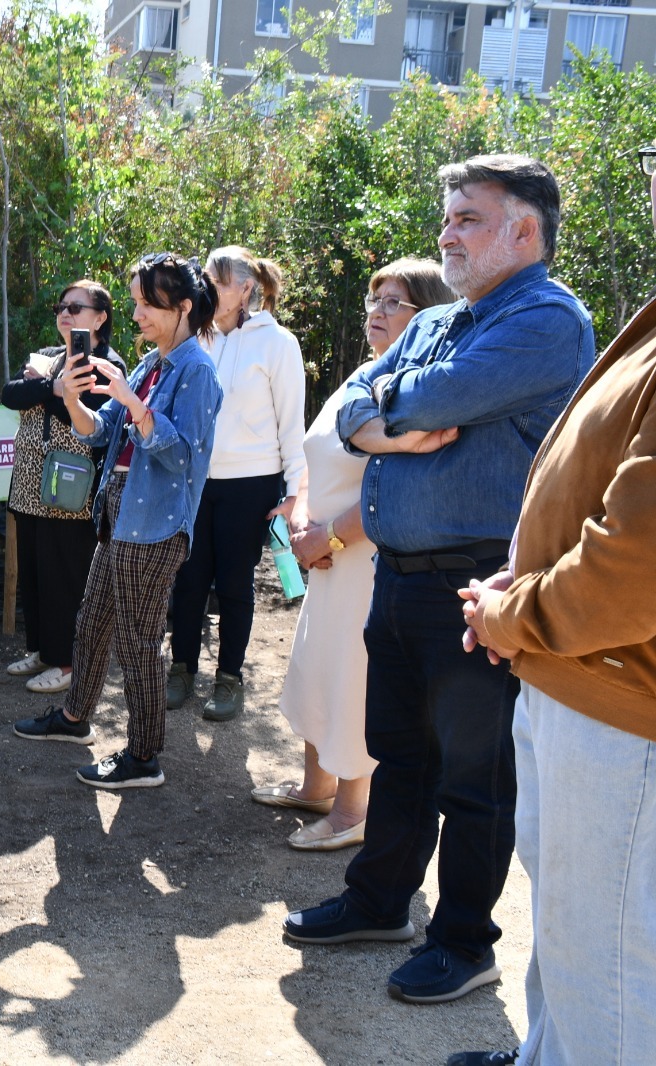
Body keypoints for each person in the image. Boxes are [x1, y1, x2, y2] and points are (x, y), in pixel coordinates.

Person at [283, 154, 596, 1007]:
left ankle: (463, 943)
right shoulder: (436, 320)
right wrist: (383, 424)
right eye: (447, 217)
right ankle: (379, 903)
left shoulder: (546, 319)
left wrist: (389, 411)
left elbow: (426, 399)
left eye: (468, 218)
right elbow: (353, 405)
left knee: (474, 780)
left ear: (523, 231)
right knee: (400, 755)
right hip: (400, 580)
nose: (447, 234)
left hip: (477, 585)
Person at [450, 144, 656, 1066]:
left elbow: (633, 571)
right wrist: (523, 586)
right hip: (579, 679)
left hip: (618, 703)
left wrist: (512, 614)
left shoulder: (547, 314)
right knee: (574, 938)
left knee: (610, 965)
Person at [255, 259, 454, 851]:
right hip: (325, 558)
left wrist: (329, 537)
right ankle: (316, 788)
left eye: (395, 303)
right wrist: (300, 518)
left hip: (366, 562)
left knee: (352, 682)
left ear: (430, 316)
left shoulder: (419, 390)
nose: (377, 312)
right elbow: (316, 456)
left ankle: (352, 811)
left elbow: (396, 488)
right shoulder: (365, 375)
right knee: (316, 671)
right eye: (375, 299)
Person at [13, 253, 223, 790]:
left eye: (147, 304)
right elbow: (99, 431)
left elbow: (183, 456)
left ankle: (144, 755)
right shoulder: (153, 362)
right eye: (135, 303)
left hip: (154, 523)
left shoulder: (196, 371)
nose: (137, 315)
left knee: (138, 642)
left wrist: (133, 403)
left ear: (182, 307)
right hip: (119, 513)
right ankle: (74, 718)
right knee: (91, 622)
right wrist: (71, 398)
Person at [166, 246, 306, 721]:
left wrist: (295, 495)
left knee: (233, 585)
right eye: (205, 278)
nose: (207, 288)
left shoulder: (278, 343)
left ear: (247, 288)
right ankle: (181, 670)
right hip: (196, 482)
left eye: (218, 281)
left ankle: (229, 679)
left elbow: (292, 426)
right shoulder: (195, 339)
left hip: (251, 485)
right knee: (187, 580)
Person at [0, 280, 115, 695]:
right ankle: (42, 651)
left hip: (72, 489)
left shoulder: (106, 365)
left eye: (76, 307)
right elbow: (10, 394)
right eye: (61, 307)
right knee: (34, 576)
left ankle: (68, 663)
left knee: (65, 578)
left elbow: (91, 420)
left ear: (100, 318)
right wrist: (53, 387)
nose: (65, 313)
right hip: (30, 483)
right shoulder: (47, 358)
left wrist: (47, 392)